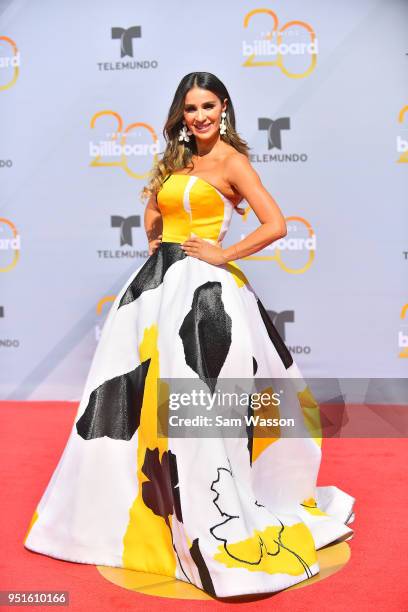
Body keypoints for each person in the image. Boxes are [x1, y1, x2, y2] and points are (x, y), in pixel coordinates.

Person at [23, 72, 355, 598]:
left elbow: (275, 224)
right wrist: (160, 234)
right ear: (182, 113)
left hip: (203, 296)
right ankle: (133, 514)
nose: (199, 115)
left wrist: (223, 253)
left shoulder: (232, 162)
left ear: (223, 107)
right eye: (190, 108)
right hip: (154, 291)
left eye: (207, 105)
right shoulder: (177, 162)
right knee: (135, 404)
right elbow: (155, 211)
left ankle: (208, 511)